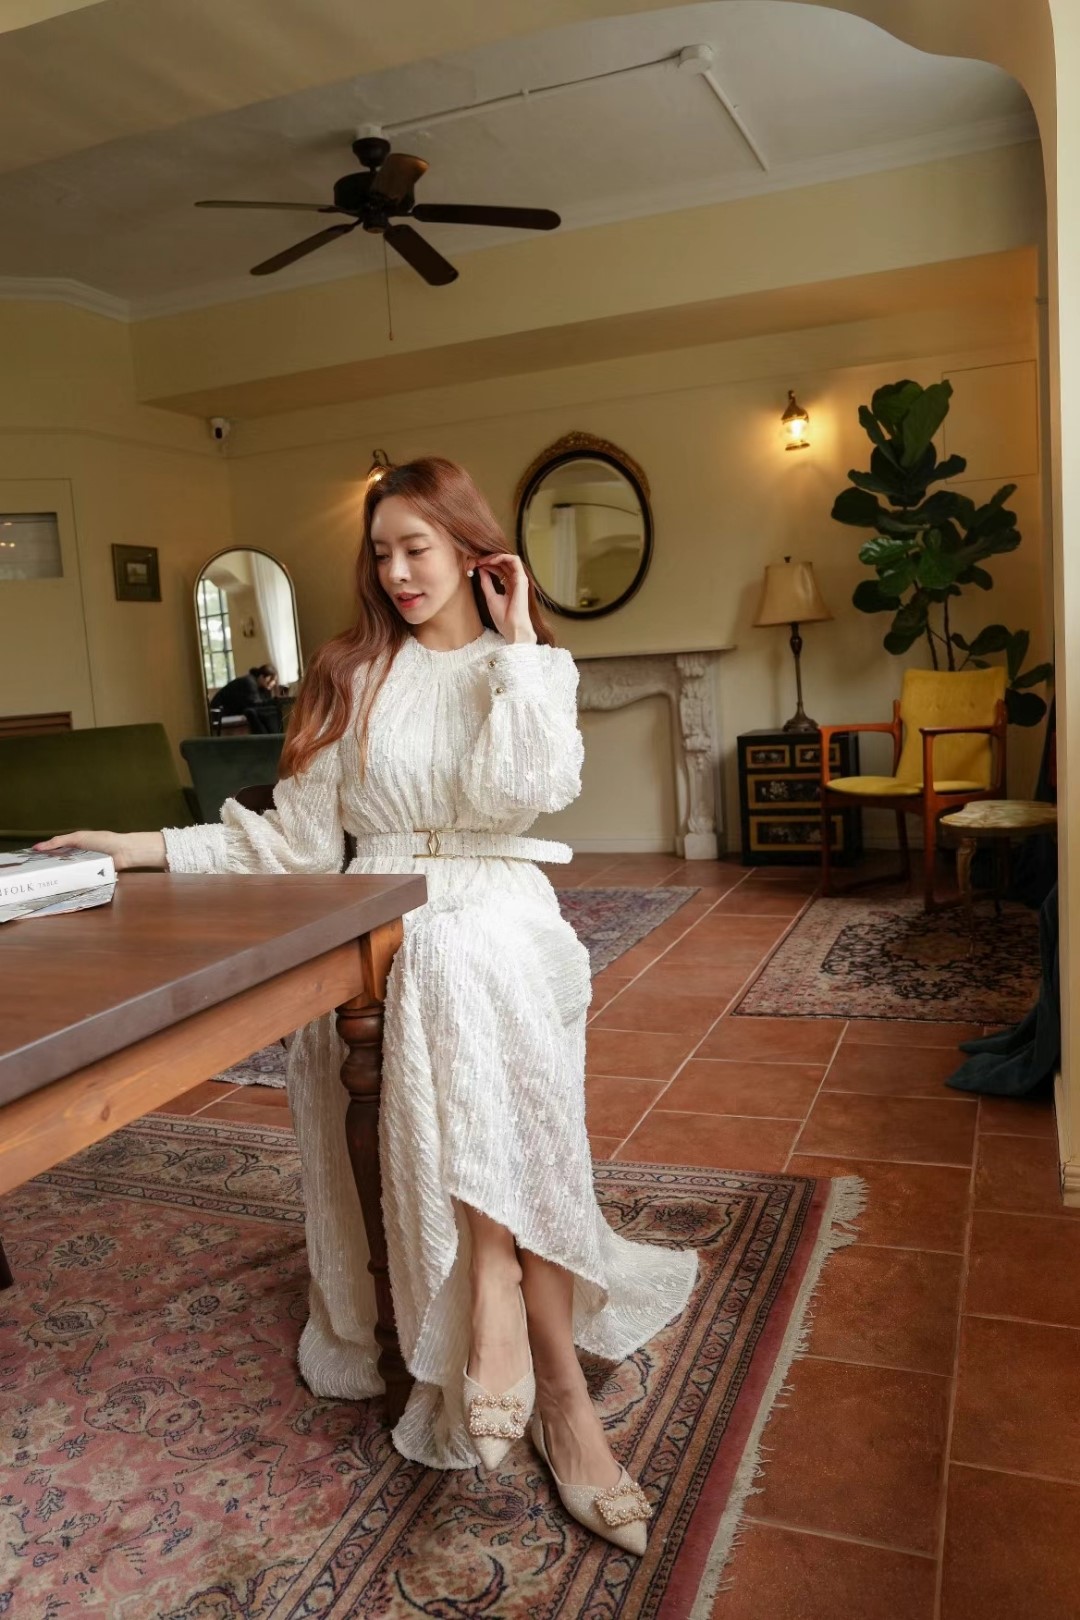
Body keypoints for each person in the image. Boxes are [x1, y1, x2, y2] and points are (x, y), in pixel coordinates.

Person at [38, 456, 697, 1555]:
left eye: (417, 549)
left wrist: (521, 646)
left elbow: (524, 795)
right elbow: (292, 843)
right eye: (380, 552)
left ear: (474, 553)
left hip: (498, 898)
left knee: (461, 954)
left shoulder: (526, 668)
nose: (396, 573)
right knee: (435, 954)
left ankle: (514, 1314)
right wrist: (139, 845)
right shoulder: (350, 673)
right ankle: (539, 1356)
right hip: (386, 905)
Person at [211, 664, 282, 733]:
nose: (273, 683)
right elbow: (255, 704)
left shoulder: (259, 685)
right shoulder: (249, 682)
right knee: (253, 713)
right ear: (262, 676)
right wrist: (275, 700)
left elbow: (260, 703)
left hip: (227, 712)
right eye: (272, 679)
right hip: (219, 713)